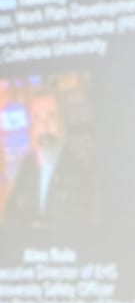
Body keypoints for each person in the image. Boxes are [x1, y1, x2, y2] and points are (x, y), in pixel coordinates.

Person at [2, 92, 95, 228]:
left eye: (51, 117)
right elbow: (11, 215)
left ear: (61, 125)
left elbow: (77, 223)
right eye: (37, 119)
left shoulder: (78, 171)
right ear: (31, 129)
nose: (45, 126)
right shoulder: (27, 165)